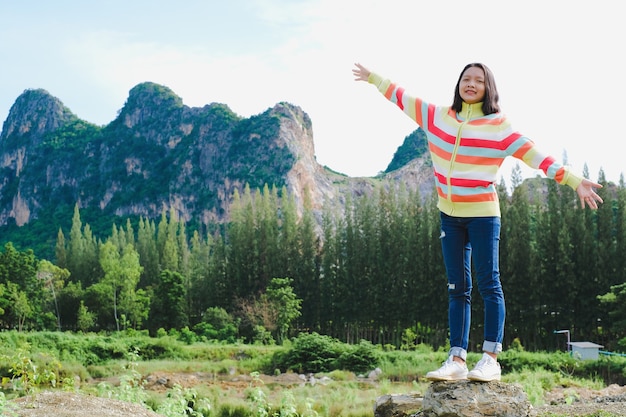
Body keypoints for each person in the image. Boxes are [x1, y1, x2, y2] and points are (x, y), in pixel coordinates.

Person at [353, 62, 603, 382]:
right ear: (458, 83)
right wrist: (374, 78)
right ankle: (457, 358)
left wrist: (572, 179)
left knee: (489, 284)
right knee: (458, 288)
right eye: (466, 79)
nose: (471, 84)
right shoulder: (437, 116)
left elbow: (533, 154)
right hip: (450, 216)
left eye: (479, 81)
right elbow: (401, 96)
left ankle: (490, 359)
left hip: (484, 215)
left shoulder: (498, 125)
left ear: (488, 88)